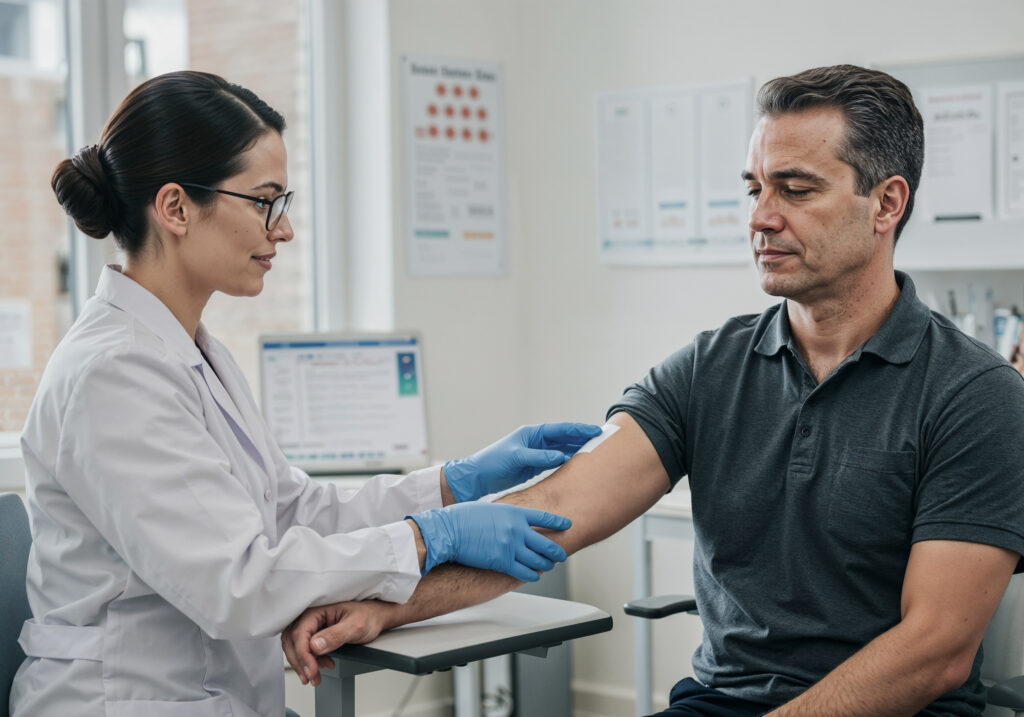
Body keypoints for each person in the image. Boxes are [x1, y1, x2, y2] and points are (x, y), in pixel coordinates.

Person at [285, 65, 1024, 717]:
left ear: (886, 203)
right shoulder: (709, 368)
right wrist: (389, 601)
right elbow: (554, 511)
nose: (761, 217)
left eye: (796, 189)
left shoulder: (975, 396)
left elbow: (935, 650)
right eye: (755, 187)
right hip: (722, 702)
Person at [10, 70, 602, 717]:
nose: (283, 230)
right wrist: (432, 536)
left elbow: (293, 509)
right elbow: (241, 582)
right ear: (176, 207)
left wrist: (452, 484)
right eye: (265, 201)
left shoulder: (191, 352)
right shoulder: (111, 373)